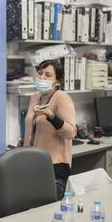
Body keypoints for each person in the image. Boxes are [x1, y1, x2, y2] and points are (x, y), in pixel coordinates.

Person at [23, 59, 76, 200]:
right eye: (40, 73)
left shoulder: (61, 98)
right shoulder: (35, 97)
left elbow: (71, 132)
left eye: (48, 75)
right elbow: (33, 128)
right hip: (33, 165)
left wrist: (51, 116)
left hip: (54, 169)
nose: (42, 78)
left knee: (46, 214)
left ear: (57, 82)